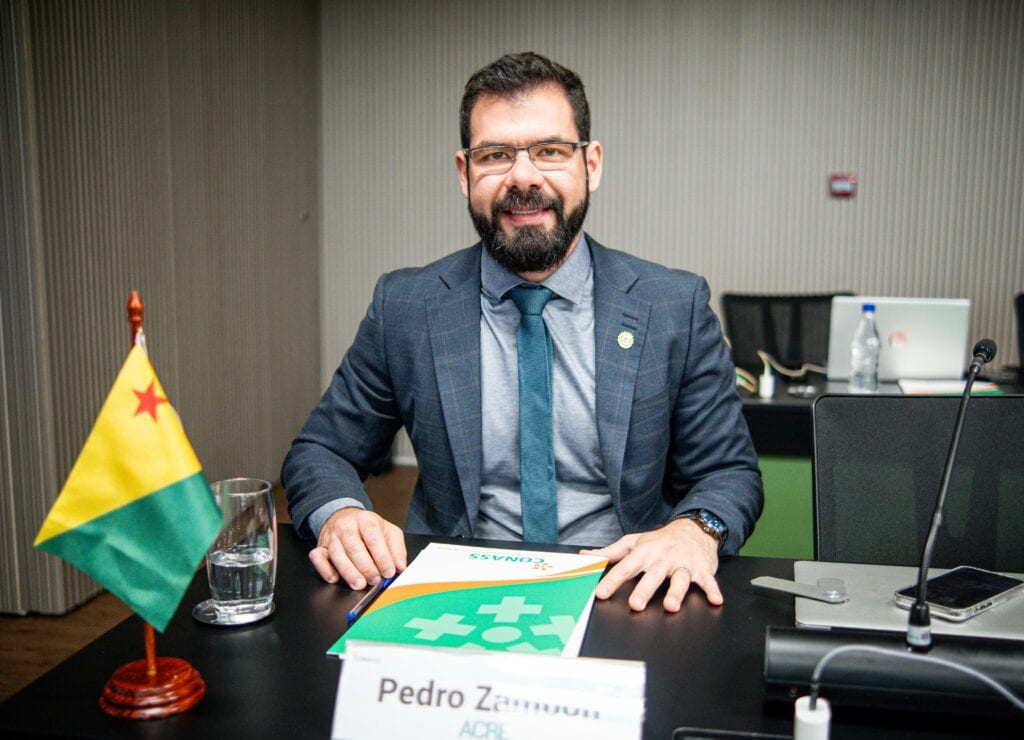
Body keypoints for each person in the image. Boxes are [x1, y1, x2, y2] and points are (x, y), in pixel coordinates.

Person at [282, 52, 762, 612]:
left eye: (550, 151)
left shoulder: (673, 305)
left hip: (625, 591)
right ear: (464, 173)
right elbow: (321, 451)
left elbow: (728, 472)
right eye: (495, 155)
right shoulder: (406, 306)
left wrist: (695, 529)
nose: (524, 177)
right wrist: (340, 514)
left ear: (592, 165)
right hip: (452, 595)